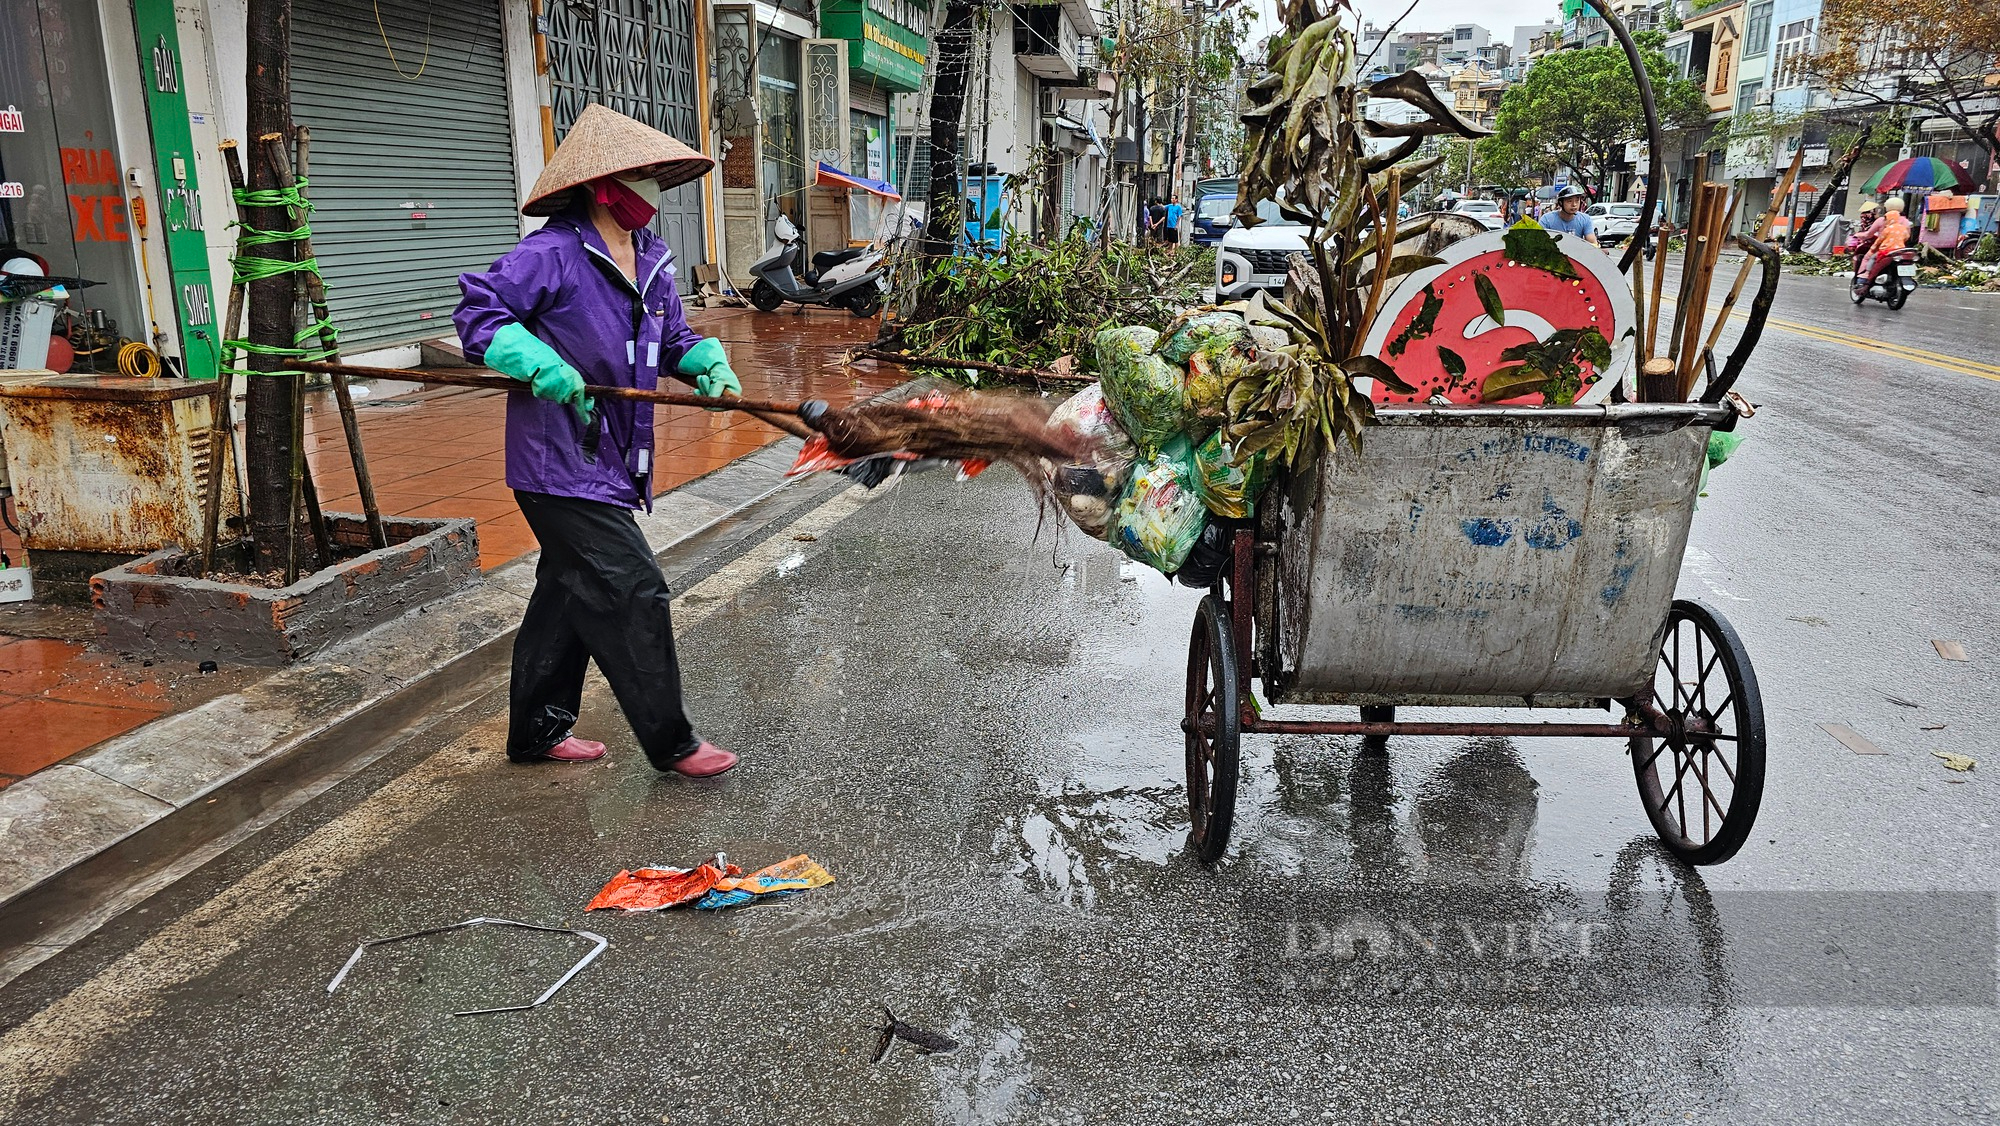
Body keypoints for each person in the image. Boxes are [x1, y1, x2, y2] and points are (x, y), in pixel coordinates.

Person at [453, 105, 740, 776]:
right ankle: (673, 743)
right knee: (631, 587)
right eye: (640, 176)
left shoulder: (651, 262)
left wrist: (704, 362)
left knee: (566, 592)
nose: (652, 190)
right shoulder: (551, 253)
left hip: (612, 460)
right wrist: (536, 359)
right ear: (605, 185)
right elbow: (478, 311)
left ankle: (536, 732)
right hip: (557, 461)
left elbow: (672, 336)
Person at [1854, 196, 1912, 282]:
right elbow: (1907, 237)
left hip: (1885, 249)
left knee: (1867, 258)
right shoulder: (1906, 222)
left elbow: (1870, 235)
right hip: (1900, 249)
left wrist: (1857, 235)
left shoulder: (1882, 220)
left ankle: (1863, 277)